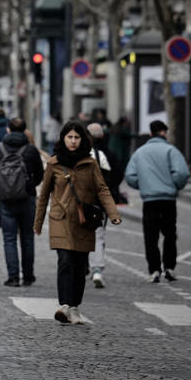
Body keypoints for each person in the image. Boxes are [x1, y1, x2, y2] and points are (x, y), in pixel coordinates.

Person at [33, 121, 121, 324]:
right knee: (64, 261)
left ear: (82, 140)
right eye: (69, 137)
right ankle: (64, 305)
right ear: (63, 139)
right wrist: (37, 223)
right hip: (60, 220)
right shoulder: (54, 163)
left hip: (84, 221)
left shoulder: (90, 164)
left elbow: (102, 190)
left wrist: (113, 213)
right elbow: (44, 195)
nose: (73, 141)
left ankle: (74, 306)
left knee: (80, 266)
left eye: (77, 137)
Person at [125, 120, 190, 282]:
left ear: (151, 133)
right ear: (164, 133)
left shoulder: (140, 153)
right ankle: (169, 267)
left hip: (149, 200)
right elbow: (182, 173)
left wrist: (144, 185)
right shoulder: (171, 150)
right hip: (168, 199)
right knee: (169, 234)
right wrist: (174, 185)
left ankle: (154, 270)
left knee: (150, 236)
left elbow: (130, 176)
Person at [0, 117, 44, 287]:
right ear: (25, 130)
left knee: (9, 238)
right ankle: (28, 276)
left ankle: (12, 277)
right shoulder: (31, 150)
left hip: (5, 200)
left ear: (8, 130)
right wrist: (30, 186)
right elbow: (40, 174)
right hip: (27, 199)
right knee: (27, 237)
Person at [87, 122, 115, 289]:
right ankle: (96, 269)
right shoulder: (100, 155)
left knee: (78, 236)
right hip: (96, 203)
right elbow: (108, 181)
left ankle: (83, 268)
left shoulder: (73, 155)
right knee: (98, 237)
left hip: (77, 203)